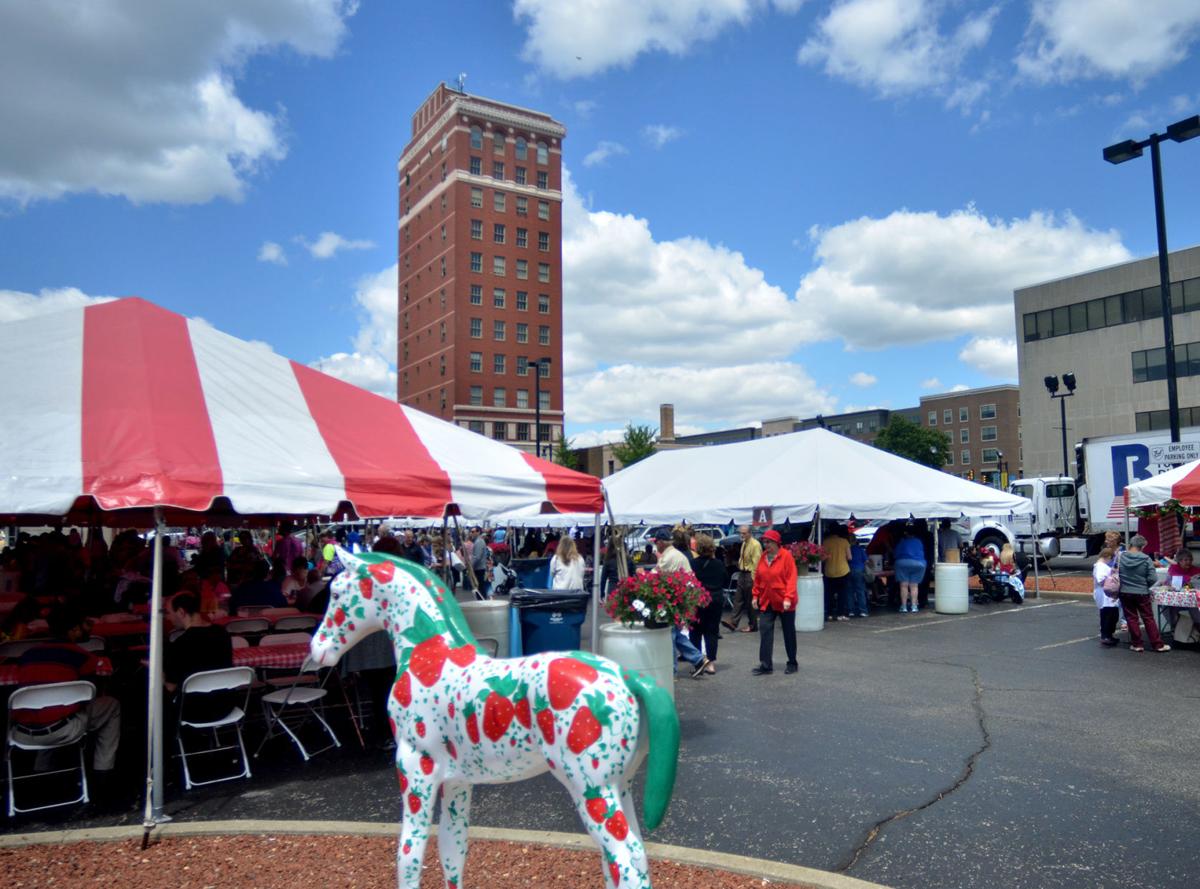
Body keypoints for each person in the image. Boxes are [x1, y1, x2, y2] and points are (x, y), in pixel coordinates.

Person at [12, 605, 121, 787]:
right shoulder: (81, 656)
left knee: (45, 706)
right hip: (63, 730)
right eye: (85, 625)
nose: (88, 628)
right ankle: (103, 770)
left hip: (22, 733)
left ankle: (42, 769)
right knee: (111, 705)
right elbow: (91, 691)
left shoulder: (28, 655)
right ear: (74, 630)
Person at [165, 592, 235, 722]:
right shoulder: (222, 633)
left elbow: (170, 686)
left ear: (181, 612)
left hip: (193, 711)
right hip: (226, 706)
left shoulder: (180, 644)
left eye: (169, 612)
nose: (168, 617)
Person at [649, 530, 709, 677]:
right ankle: (699, 660)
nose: (656, 546)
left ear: (661, 542)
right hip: (681, 598)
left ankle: (672, 671)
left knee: (670, 635)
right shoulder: (674, 554)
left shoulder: (669, 556)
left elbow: (655, 576)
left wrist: (641, 575)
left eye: (656, 543)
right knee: (674, 632)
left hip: (675, 599)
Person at [751, 529, 799, 675]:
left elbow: (791, 578)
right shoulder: (764, 557)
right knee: (765, 630)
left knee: (788, 632)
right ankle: (765, 665)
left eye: (769, 542)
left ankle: (792, 662)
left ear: (777, 543)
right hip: (767, 600)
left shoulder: (786, 556)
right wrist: (755, 596)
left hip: (784, 601)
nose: (766, 545)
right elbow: (758, 578)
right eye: (765, 542)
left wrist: (788, 598)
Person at [1117, 534, 1169, 653]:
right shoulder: (1146, 559)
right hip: (1142, 592)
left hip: (1125, 591)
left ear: (1131, 544)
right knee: (1148, 618)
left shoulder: (1121, 557)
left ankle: (1137, 644)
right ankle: (1157, 645)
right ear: (1142, 546)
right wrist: (1144, 585)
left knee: (1131, 618)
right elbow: (1152, 578)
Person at [689, 534, 725, 674]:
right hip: (715, 598)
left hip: (698, 598)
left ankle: (698, 661)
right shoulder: (718, 564)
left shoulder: (693, 563)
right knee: (712, 631)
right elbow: (724, 578)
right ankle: (710, 663)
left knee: (695, 631)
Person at [723, 526, 761, 633]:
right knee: (738, 598)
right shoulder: (744, 543)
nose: (742, 535)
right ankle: (733, 622)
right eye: (741, 533)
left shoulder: (755, 545)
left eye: (744, 533)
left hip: (750, 574)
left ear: (750, 533)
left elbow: (757, 563)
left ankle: (753, 625)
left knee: (750, 601)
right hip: (742, 573)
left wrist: (754, 579)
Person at [894, 525, 926, 614]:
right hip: (918, 564)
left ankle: (904, 606)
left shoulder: (902, 542)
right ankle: (914, 606)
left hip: (902, 563)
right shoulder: (919, 542)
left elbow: (896, 554)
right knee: (914, 586)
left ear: (906, 534)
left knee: (904, 585)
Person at [822, 524, 852, 621]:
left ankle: (830, 614)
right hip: (843, 570)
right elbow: (849, 557)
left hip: (829, 571)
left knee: (830, 594)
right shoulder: (844, 542)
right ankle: (841, 614)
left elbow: (822, 558)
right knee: (842, 594)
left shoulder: (825, 542)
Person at [1093, 547, 1120, 647]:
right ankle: (1106, 635)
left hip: (1106, 594)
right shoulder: (1100, 566)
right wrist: (1112, 577)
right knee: (1108, 615)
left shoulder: (1101, 565)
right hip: (1105, 594)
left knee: (1111, 615)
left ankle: (1108, 635)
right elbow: (1101, 579)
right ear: (1107, 557)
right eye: (1111, 558)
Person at [848, 531, 868, 618]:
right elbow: (866, 561)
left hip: (848, 570)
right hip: (859, 570)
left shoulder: (847, 549)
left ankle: (851, 611)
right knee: (860, 591)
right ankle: (863, 611)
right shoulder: (860, 549)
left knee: (850, 592)